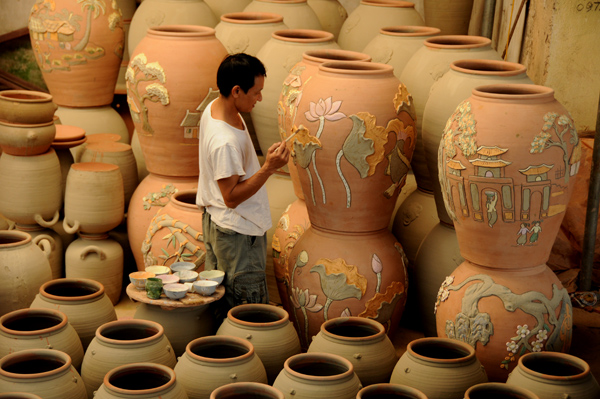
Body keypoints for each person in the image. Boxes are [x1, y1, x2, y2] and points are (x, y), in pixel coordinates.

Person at [196, 53, 290, 316]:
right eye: (256, 92)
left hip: (221, 223)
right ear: (236, 91)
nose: (259, 98)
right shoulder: (224, 142)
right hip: (236, 233)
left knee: (220, 300)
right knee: (245, 313)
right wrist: (269, 167)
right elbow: (232, 197)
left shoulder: (216, 106)